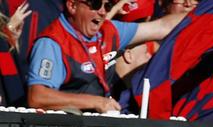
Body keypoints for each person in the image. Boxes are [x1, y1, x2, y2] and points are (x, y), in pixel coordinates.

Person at [26, 0, 184, 113]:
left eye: (107, 5)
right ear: (72, 5)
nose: (102, 11)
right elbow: (37, 96)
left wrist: (202, 14)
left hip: (96, 126)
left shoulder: (109, 31)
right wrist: (96, 102)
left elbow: (164, 26)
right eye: (95, 4)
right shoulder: (52, 43)